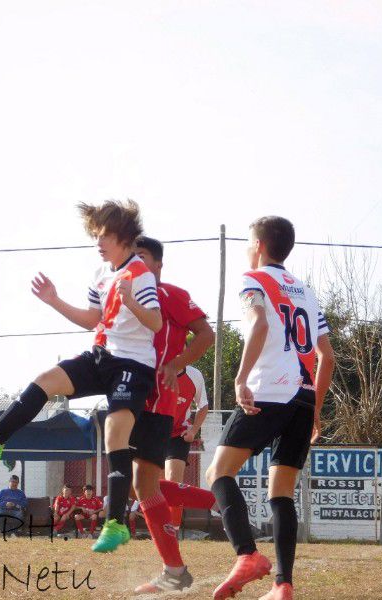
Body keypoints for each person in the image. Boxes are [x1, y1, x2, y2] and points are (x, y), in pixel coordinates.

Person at [0, 200, 162, 553]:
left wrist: (133, 303)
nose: (97, 241)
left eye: (104, 235)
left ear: (123, 236)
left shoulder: (139, 274)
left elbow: (155, 322)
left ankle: (114, 524)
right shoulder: (101, 273)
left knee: (114, 434)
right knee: (46, 379)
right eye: (95, 234)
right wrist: (54, 300)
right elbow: (92, 319)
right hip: (101, 356)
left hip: (133, 365)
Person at [206, 216, 335, 600]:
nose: (248, 249)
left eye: (248, 242)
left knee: (218, 472)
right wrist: (314, 410)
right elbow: (326, 357)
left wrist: (240, 378)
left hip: (269, 391)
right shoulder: (308, 293)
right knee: (281, 493)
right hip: (303, 395)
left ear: (259, 246)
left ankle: (247, 555)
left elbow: (259, 323)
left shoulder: (253, 279)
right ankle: (283, 585)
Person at [126, 235, 215, 593]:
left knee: (143, 482)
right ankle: (220, 499)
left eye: (142, 257)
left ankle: (174, 569)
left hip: (159, 402)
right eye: (130, 258)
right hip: (132, 398)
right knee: (140, 484)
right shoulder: (123, 297)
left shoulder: (172, 295)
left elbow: (206, 334)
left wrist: (177, 363)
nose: (135, 264)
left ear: (159, 264)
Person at [164, 364, 209, 526]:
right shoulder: (155, 369)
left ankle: (172, 529)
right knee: (150, 484)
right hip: (154, 432)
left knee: (173, 482)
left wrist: (193, 430)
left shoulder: (194, 375)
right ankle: (156, 526)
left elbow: (203, 405)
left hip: (178, 434)